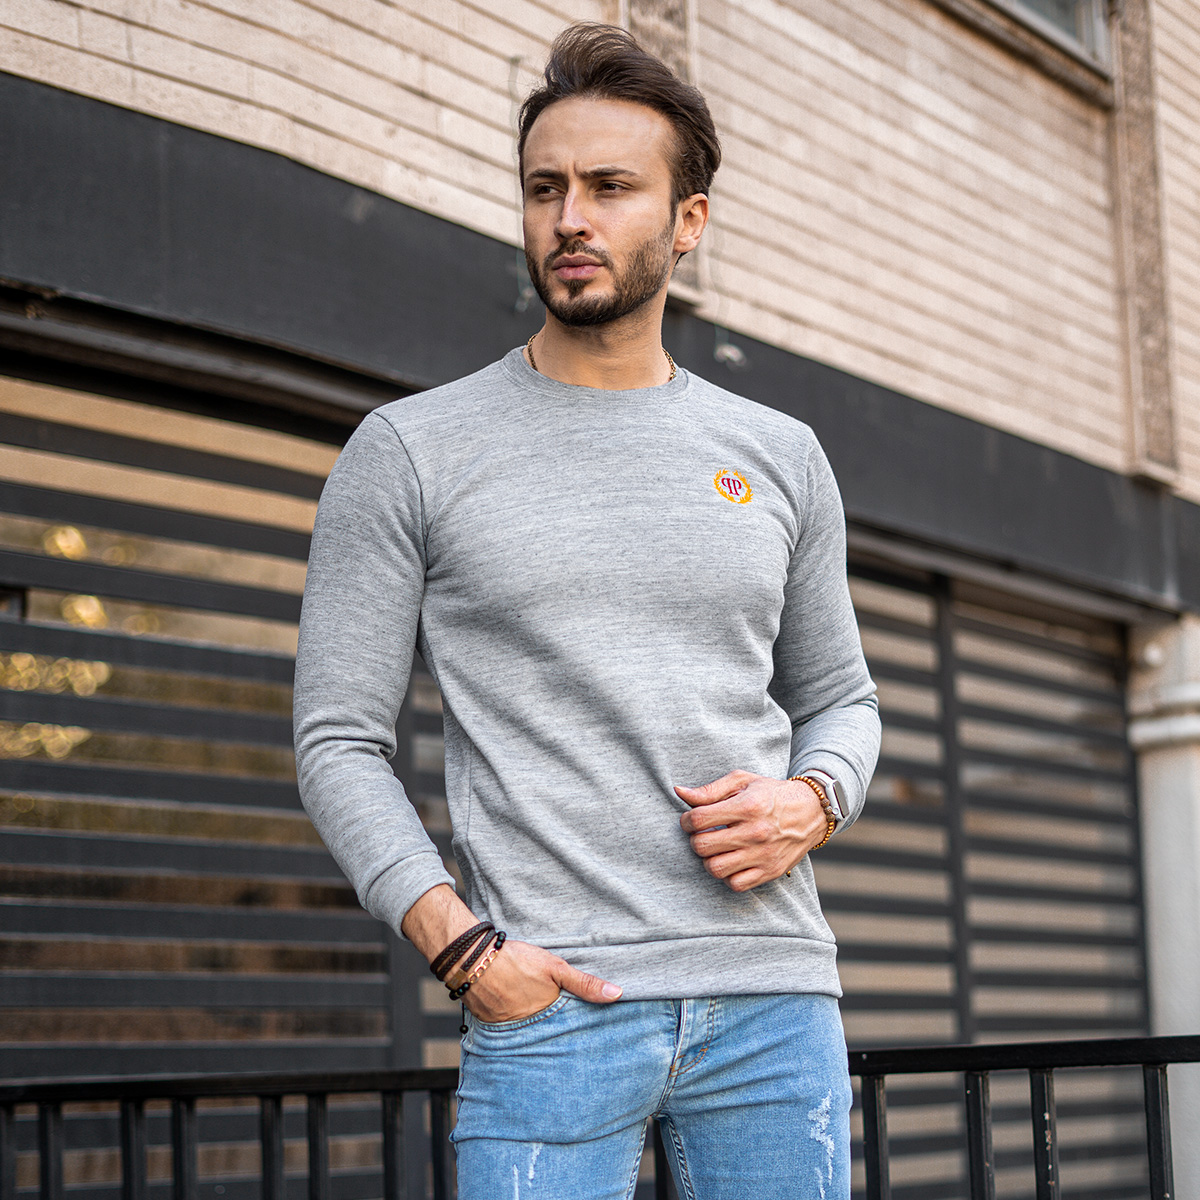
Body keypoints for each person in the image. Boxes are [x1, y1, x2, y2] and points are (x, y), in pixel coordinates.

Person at [293, 22, 880, 1200]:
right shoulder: (410, 451)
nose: (570, 218)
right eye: (544, 188)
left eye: (611, 188)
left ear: (688, 220)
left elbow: (843, 700)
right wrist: (464, 950)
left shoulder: (779, 454)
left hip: (772, 1006)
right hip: (550, 1007)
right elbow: (337, 741)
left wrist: (813, 800)